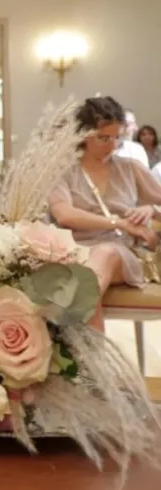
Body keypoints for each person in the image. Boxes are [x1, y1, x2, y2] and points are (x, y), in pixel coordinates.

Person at [48, 97, 161, 331]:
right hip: (73, 251)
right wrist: (117, 222)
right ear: (83, 135)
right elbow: (64, 215)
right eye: (104, 138)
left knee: (104, 254)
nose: (112, 146)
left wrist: (151, 209)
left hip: (120, 251)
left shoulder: (130, 167)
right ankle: (91, 350)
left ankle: (69, 333)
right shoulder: (63, 171)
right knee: (85, 274)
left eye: (117, 138)